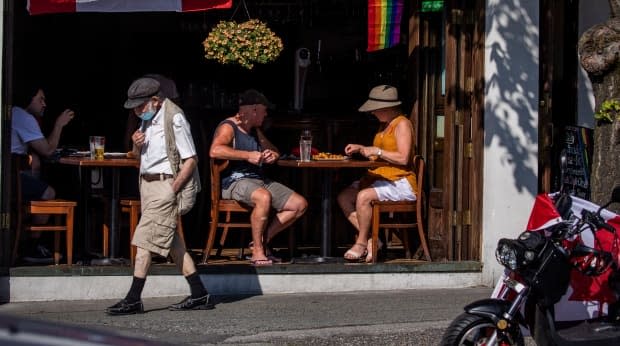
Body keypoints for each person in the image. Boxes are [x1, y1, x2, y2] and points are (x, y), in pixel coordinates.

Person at [106, 77, 212, 315]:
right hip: (147, 185)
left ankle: (133, 298)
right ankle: (199, 293)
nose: (136, 110)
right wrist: (136, 145)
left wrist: (172, 190)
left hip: (165, 186)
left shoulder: (174, 117)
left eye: (140, 105)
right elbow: (138, 157)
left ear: (155, 100)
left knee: (144, 241)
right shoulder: (148, 119)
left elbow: (191, 159)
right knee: (174, 243)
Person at [209, 89, 308, 265]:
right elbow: (215, 150)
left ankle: (260, 241)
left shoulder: (255, 129)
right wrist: (247, 155)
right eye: (264, 110)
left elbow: (274, 150)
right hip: (235, 181)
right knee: (263, 197)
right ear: (254, 109)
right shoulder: (229, 126)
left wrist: (273, 155)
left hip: (258, 180)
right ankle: (258, 252)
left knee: (298, 205)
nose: (266, 114)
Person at [337, 85, 417, 263]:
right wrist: (362, 148)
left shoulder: (402, 124)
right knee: (345, 197)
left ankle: (361, 242)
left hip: (400, 181)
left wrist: (378, 151)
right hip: (381, 177)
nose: (373, 113)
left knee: (364, 196)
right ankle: (374, 239)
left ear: (387, 108)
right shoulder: (384, 125)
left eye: (375, 109)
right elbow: (381, 151)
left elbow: (404, 158)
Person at [11, 83, 75, 262]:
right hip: (11, 180)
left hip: (10, 177)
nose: (44, 104)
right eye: (40, 99)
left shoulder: (13, 113)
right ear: (29, 99)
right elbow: (47, 150)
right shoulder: (23, 117)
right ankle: (30, 248)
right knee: (49, 192)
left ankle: (25, 241)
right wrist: (59, 125)